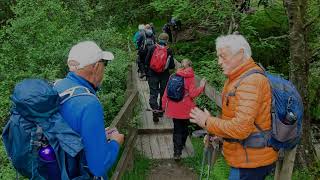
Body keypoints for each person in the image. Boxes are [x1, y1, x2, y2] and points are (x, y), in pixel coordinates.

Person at [189, 35, 278, 180]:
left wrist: (207, 122)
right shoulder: (237, 79)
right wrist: (218, 133)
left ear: (240, 54)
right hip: (246, 158)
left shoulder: (250, 82)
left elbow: (241, 128)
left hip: (250, 163)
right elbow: (240, 121)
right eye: (218, 57)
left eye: (223, 56)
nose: (219, 62)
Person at [54, 41, 124, 179]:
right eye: (105, 63)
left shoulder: (57, 87)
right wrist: (116, 142)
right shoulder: (89, 103)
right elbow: (99, 166)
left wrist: (98, 136)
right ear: (96, 66)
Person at [162, 59, 206, 160]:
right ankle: (181, 144)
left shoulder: (173, 76)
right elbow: (192, 94)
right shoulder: (191, 77)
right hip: (186, 108)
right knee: (185, 128)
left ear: (181, 66)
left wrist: (164, 106)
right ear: (190, 66)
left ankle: (177, 152)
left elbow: (166, 93)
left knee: (177, 129)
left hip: (174, 107)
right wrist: (202, 87)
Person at [145, 33, 175, 122]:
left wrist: (148, 73)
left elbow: (146, 61)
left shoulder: (151, 48)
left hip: (152, 74)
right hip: (164, 75)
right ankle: (161, 111)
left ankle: (155, 111)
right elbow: (172, 65)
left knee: (153, 93)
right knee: (163, 93)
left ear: (158, 39)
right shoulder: (168, 50)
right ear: (167, 40)